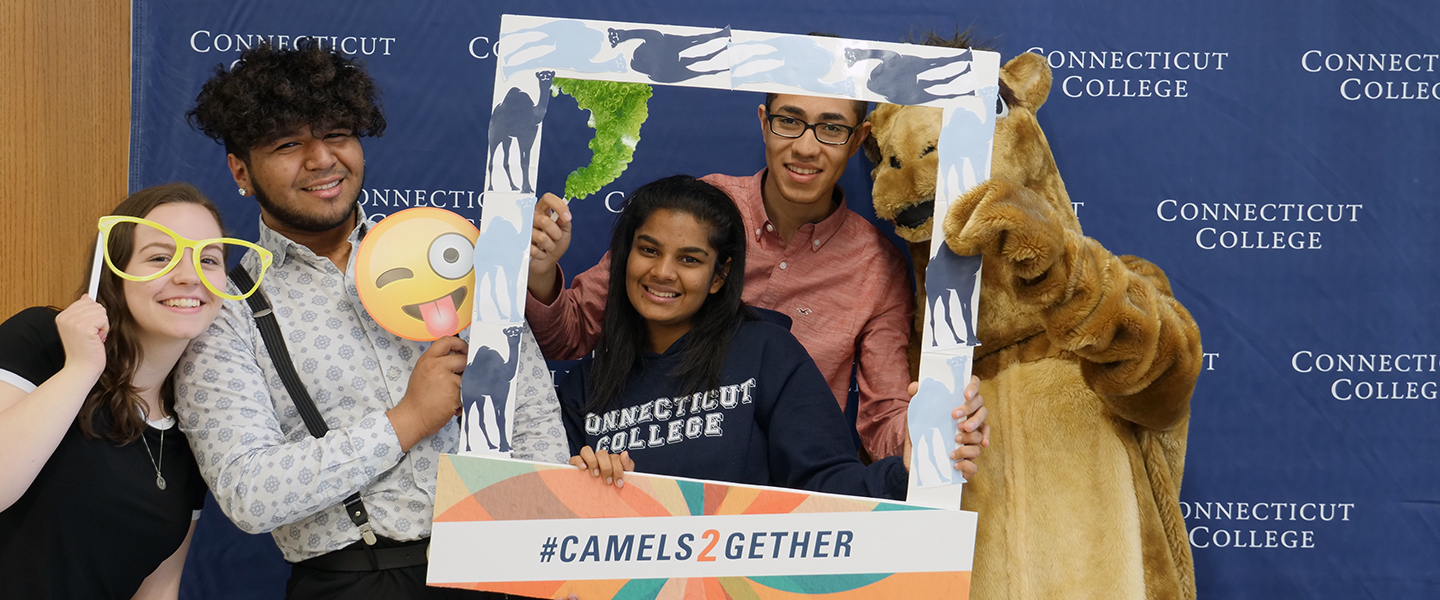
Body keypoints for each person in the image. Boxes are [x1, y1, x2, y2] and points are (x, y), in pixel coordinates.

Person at [178, 43, 568, 599]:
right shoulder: (225, 307)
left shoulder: (447, 253)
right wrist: (406, 419)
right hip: (354, 582)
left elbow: (530, 414)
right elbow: (249, 491)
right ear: (241, 169)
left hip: (496, 564)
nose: (321, 160)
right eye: (289, 144)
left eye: (337, 133)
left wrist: (539, 547)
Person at [529, 93, 985, 462]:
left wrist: (932, 437)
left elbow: (883, 419)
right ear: (764, 121)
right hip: (644, 466)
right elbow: (569, 333)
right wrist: (541, 269)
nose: (805, 147)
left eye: (830, 128)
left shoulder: (877, 267)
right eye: (790, 120)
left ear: (857, 138)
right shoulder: (700, 211)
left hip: (781, 504)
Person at [558, 175, 985, 498]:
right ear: (624, 256)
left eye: (690, 259)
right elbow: (551, 524)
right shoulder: (584, 386)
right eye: (648, 250)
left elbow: (826, 482)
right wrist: (588, 487)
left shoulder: (767, 353)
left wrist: (911, 470)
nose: (663, 272)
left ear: (718, 276)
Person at [0, 183, 248, 599]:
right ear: (115, 272)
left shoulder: (192, 433)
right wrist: (81, 368)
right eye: (159, 257)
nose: (189, 277)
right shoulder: (41, 342)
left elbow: (159, 589)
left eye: (209, 259)